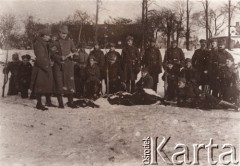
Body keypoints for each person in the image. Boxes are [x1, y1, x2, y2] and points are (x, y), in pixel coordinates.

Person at [51, 25, 78, 108]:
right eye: (62, 33)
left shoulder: (70, 41)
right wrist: (59, 57)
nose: (64, 35)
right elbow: (53, 54)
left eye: (65, 33)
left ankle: (71, 102)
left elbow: (74, 50)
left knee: (69, 82)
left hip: (68, 65)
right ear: (59, 33)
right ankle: (60, 103)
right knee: (59, 83)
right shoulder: (55, 42)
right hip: (58, 65)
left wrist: (75, 55)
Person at [30, 28, 54, 111]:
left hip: (45, 66)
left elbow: (48, 54)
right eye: (48, 36)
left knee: (45, 85)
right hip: (41, 68)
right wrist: (47, 67)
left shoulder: (45, 43)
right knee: (39, 86)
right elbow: (40, 58)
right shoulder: (39, 44)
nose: (49, 37)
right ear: (43, 36)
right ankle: (39, 104)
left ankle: (47, 102)